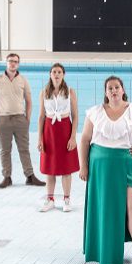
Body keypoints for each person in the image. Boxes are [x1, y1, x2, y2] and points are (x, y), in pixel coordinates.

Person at [79, 76, 132, 264]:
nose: (114, 90)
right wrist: (83, 166)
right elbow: (85, 140)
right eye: (110, 88)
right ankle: (105, 251)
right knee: (106, 210)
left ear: (123, 90)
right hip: (101, 168)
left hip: (128, 165)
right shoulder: (95, 112)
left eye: (117, 87)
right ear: (105, 92)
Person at [0, 53, 46, 188]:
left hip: (20, 119)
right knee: (5, 150)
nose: (13, 63)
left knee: (24, 149)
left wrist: (27, 119)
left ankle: (30, 176)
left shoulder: (23, 80)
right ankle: (7, 177)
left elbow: (29, 101)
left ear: (18, 64)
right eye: (10, 61)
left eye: (15, 61)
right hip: (3, 119)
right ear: (6, 63)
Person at [37, 63, 80, 212]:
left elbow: (75, 116)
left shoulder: (70, 91)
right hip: (49, 131)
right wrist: (40, 139)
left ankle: (66, 199)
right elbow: (41, 117)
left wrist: (73, 137)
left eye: (59, 72)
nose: (56, 74)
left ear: (63, 75)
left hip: (65, 130)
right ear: (50, 74)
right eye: (54, 72)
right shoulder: (44, 92)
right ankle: (50, 199)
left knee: (66, 168)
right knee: (50, 168)